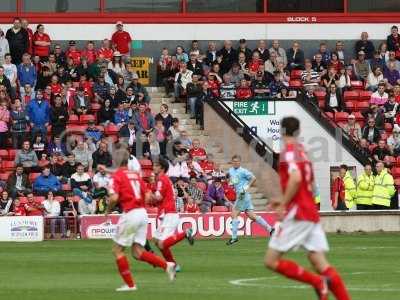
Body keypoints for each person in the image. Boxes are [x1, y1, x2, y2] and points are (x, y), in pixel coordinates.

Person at [265, 116, 350, 300]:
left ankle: (317, 282)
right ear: (298, 131)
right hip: (310, 211)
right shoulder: (303, 151)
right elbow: (308, 183)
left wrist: (284, 204)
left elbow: (295, 179)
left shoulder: (288, 152)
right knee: (319, 262)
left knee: (271, 260)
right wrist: (284, 199)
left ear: (281, 131)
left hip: (299, 213)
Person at [106, 150, 176, 292]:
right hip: (142, 214)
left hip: (131, 213)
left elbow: (113, 198)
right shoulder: (135, 175)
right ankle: (167, 265)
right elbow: (148, 195)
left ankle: (130, 285)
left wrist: (107, 210)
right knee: (137, 252)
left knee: (118, 250)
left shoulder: (117, 176)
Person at [151, 159, 195, 272]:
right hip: (167, 213)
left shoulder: (162, 179)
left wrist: (147, 196)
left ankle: (185, 233)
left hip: (169, 214)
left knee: (161, 244)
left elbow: (158, 198)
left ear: (161, 168)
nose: (153, 167)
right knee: (156, 240)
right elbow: (159, 198)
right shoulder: (161, 180)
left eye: (156, 165)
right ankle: (173, 265)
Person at [226, 155, 273, 245]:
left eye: (237, 161)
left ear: (240, 162)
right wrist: (231, 182)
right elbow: (234, 180)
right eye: (234, 161)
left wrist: (246, 186)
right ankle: (270, 229)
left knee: (234, 214)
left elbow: (253, 178)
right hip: (243, 196)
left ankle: (234, 238)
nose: (236, 163)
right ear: (232, 162)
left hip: (242, 195)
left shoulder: (243, 171)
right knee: (251, 216)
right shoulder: (231, 170)